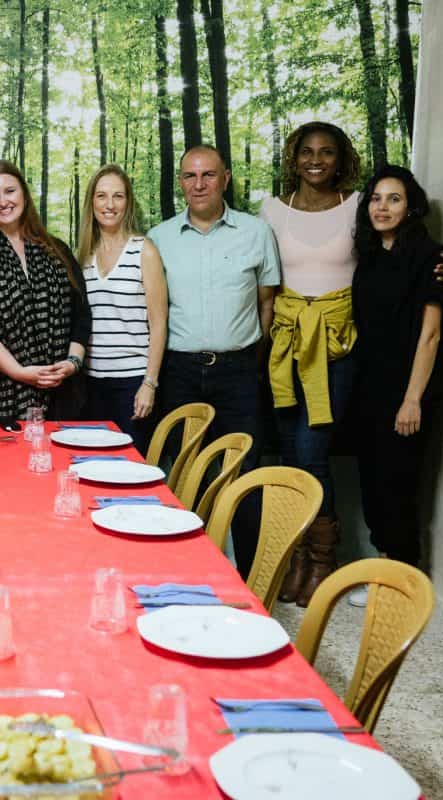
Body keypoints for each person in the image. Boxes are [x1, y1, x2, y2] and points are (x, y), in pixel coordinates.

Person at [262, 122, 443, 606]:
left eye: (326, 152)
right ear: (293, 157)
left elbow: (403, 263)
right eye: (306, 151)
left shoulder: (356, 209)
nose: (315, 160)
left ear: (340, 158)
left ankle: (325, 560)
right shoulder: (268, 210)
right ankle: (301, 558)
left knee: (312, 453)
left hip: (337, 350)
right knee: (290, 454)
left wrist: (442, 271)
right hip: (285, 345)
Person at [147, 144, 281, 579]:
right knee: (185, 474)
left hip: (239, 371)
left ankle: (247, 583)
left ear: (225, 178)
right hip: (179, 373)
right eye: (189, 176)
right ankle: (189, 576)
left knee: (241, 473)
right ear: (181, 182)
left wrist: (250, 361)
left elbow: (267, 305)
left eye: (208, 175)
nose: (198, 184)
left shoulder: (256, 233)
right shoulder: (160, 238)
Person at [351, 165, 443, 585]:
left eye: (394, 199)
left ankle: (404, 586)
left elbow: (431, 335)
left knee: (398, 489)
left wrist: (412, 399)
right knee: (374, 485)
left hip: (407, 391)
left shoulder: (428, 257)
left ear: (411, 208)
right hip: (369, 387)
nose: (383, 207)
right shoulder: (371, 255)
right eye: (376, 198)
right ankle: (384, 571)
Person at [0, 160, 91, 422]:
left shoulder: (57, 250)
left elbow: (81, 314)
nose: (3, 201)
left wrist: (72, 362)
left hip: (62, 394)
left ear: (24, 194)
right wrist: (18, 371)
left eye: (10, 191)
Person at [75, 164, 168, 440]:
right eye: (102, 196)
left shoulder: (144, 250)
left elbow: (159, 323)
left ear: (128, 202)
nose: (110, 205)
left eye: (118, 196)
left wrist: (149, 384)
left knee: (129, 470)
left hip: (132, 383)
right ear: (91, 201)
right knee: (90, 466)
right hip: (90, 384)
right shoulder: (82, 256)